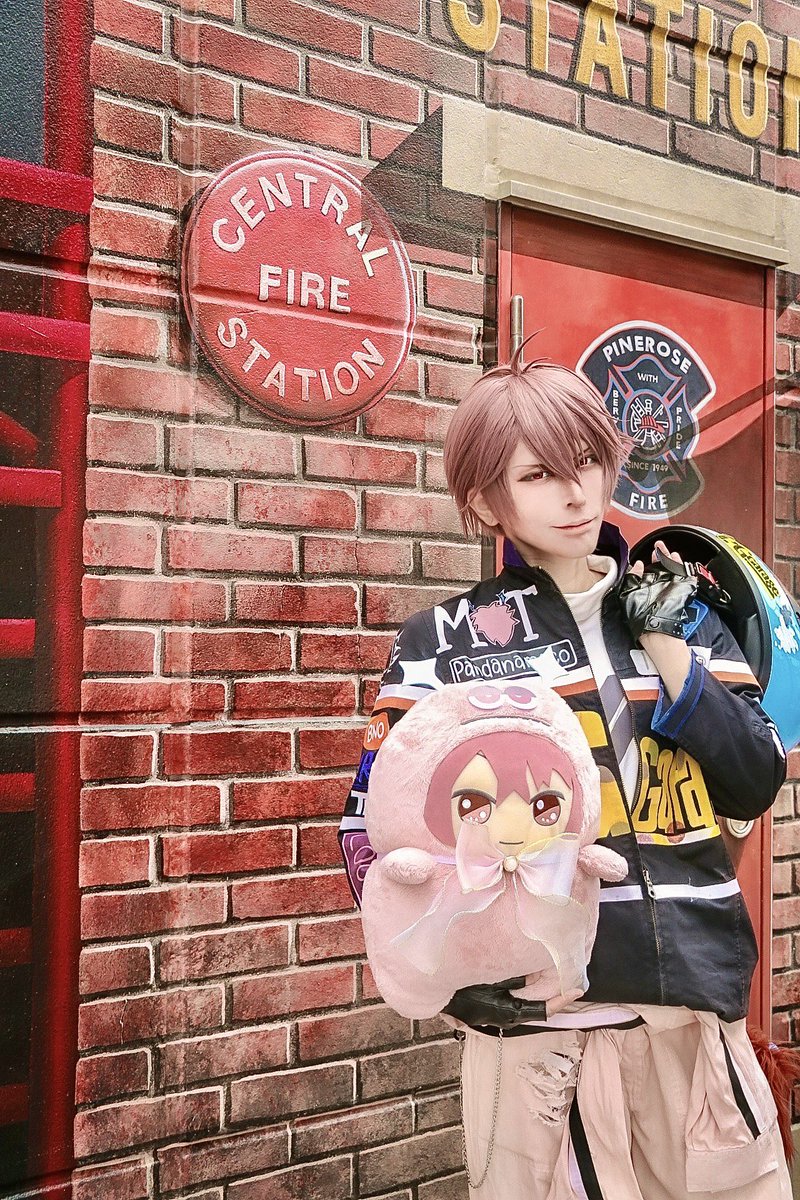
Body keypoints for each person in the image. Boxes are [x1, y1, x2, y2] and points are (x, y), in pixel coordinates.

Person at [338, 351, 791, 1200]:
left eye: (587, 461)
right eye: (538, 474)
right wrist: (446, 982)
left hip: (693, 1024)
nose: (577, 493)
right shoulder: (444, 643)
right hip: (536, 1043)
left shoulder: (686, 614)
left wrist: (668, 649)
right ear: (485, 502)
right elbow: (369, 831)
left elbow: (754, 779)